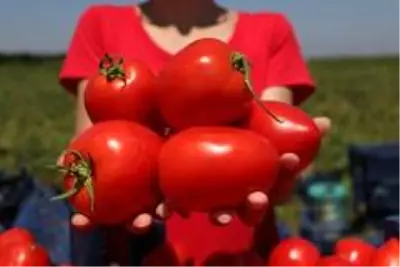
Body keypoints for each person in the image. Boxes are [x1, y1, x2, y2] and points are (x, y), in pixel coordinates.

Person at [59, 0, 331, 266]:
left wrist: (279, 181)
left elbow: (268, 145)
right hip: (135, 250)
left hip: (241, 253)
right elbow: (93, 139)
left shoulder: (271, 29)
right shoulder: (100, 23)